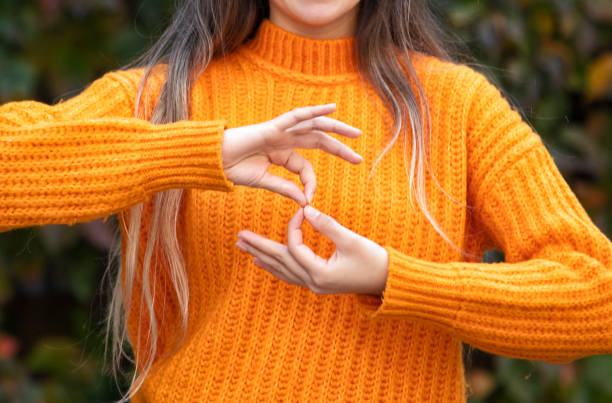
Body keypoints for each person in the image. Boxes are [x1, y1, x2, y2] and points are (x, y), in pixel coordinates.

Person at [1, 0, 611, 401]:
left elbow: (596, 292)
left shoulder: (455, 108)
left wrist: (394, 278)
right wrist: (197, 150)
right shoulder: (168, 97)